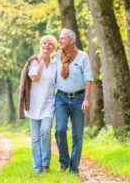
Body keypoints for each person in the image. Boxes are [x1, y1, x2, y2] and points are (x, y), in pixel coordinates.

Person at [54, 28, 93, 174]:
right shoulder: (56, 57)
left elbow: (89, 78)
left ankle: (74, 167)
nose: (60, 40)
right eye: (59, 38)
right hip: (61, 99)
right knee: (60, 130)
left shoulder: (82, 56)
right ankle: (64, 162)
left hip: (79, 99)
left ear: (71, 40)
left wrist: (86, 100)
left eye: (62, 38)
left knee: (77, 135)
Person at [20, 35, 57, 173]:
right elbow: (34, 77)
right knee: (35, 137)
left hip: (49, 103)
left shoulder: (55, 64)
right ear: (40, 45)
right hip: (33, 103)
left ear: (54, 48)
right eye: (44, 43)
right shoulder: (33, 61)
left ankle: (46, 164)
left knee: (45, 131)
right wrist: (41, 63)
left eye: (50, 44)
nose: (47, 45)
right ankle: (37, 168)